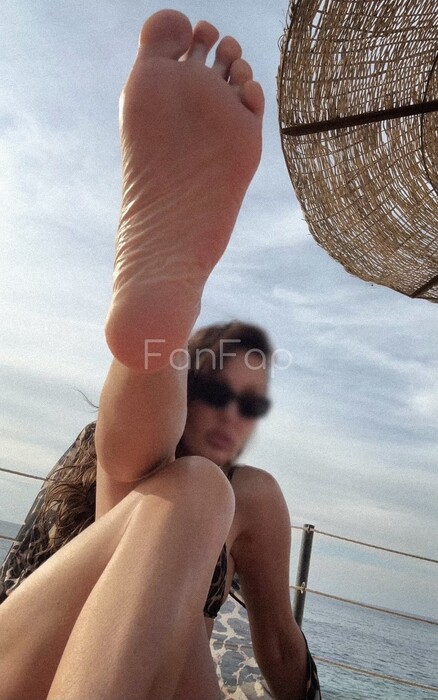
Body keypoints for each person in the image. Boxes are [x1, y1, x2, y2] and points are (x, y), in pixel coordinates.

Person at [0, 11, 320, 700]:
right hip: (24, 656)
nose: (231, 414)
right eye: (217, 391)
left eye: (251, 403)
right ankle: (161, 334)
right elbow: (276, 642)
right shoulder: (106, 449)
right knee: (166, 481)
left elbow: (277, 642)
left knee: (198, 492)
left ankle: (161, 328)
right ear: (190, 385)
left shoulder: (253, 499)